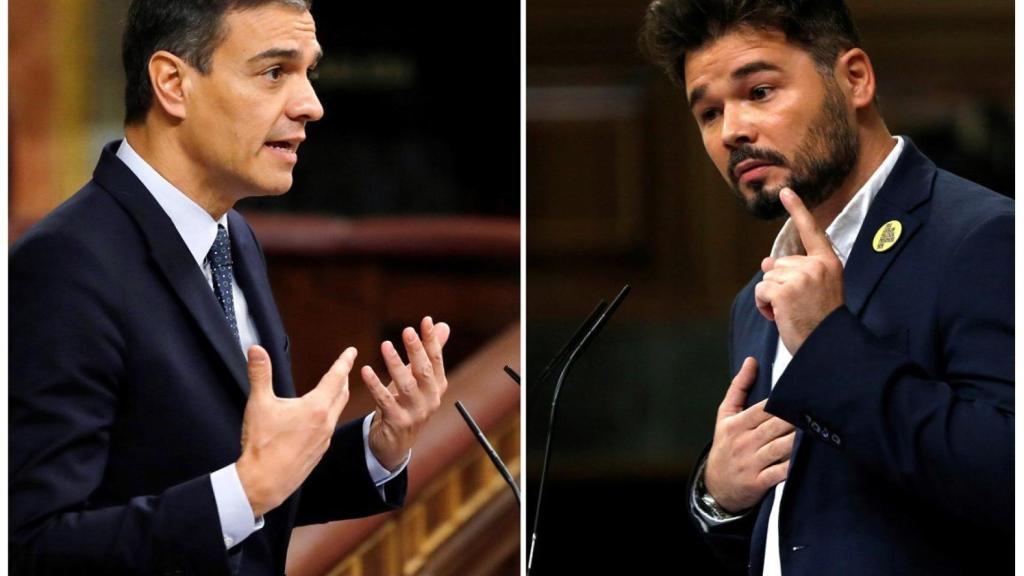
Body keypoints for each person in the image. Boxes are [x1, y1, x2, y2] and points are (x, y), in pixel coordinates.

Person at [11, 1, 450, 574]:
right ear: (172, 83)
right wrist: (246, 490)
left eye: (308, 73)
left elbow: (230, 476)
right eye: (274, 72)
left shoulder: (232, 236)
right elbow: (34, 548)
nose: (311, 105)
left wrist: (377, 447)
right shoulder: (62, 266)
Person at [640, 1, 1012, 574]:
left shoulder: (986, 237)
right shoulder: (755, 299)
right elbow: (808, 529)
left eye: (759, 91)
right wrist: (719, 496)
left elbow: (1006, 479)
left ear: (855, 78)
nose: (733, 129)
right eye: (709, 113)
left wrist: (827, 342)